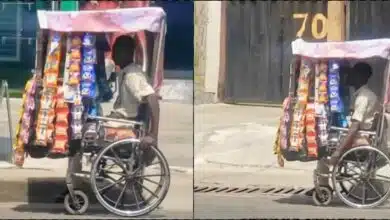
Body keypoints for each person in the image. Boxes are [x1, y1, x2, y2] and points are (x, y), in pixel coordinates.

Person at [314, 62, 383, 190]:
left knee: (324, 149)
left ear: (360, 77)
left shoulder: (363, 97)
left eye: (351, 74)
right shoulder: (364, 95)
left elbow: (355, 126)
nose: (348, 76)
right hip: (363, 136)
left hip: (361, 141)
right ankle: (323, 183)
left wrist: (339, 150)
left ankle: (323, 185)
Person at [109, 35, 160, 150]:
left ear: (128, 53)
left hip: (125, 124)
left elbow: (152, 97)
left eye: (117, 51)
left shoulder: (132, 75)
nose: (113, 55)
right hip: (119, 120)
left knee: (88, 130)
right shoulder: (126, 72)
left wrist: (153, 134)